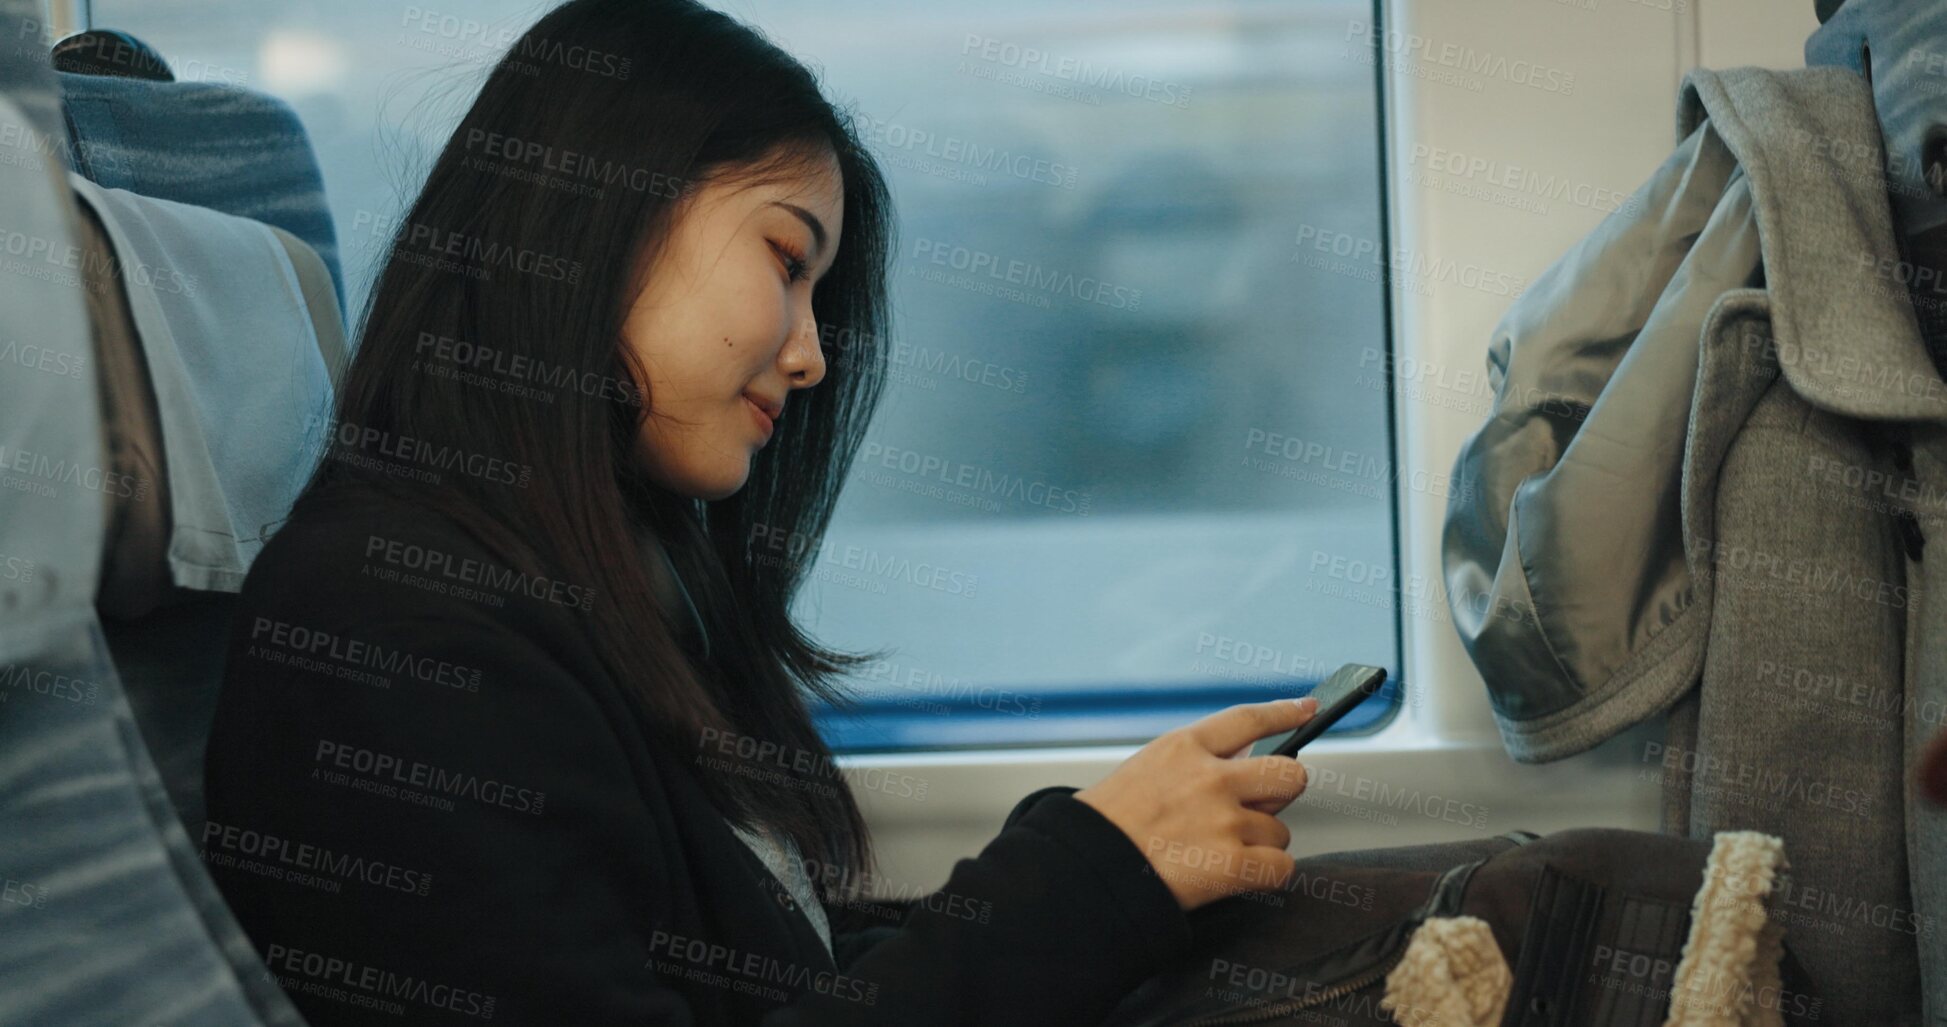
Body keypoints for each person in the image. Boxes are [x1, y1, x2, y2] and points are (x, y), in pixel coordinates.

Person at [201, 1, 1318, 1023]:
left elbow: (759, 979)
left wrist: (1095, 855)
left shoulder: (599, 587)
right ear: (603, 213)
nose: (810, 354)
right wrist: (1086, 879)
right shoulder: (392, 632)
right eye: (787, 260)